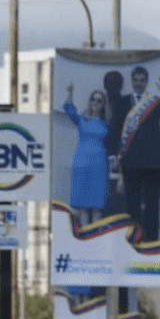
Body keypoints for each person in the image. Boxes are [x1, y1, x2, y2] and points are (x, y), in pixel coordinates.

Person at [119, 65, 160, 242]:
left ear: (146, 82)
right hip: (131, 161)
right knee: (132, 203)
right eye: (136, 80)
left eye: (142, 81)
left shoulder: (155, 102)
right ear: (131, 81)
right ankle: (133, 240)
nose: (138, 84)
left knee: (152, 204)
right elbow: (115, 129)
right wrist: (114, 156)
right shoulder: (123, 101)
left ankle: (151, 241)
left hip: (153, 160)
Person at [63, 82, 110, 224]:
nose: (95, 102)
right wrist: (70, 94)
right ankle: (82, 237)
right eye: (93, 99)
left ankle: (95, 238)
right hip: (82, 162)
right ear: (89, 101)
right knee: (81, 205)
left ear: (103, 104)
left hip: (99, 165)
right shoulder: (82, 119)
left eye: (99, 100)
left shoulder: (107, 123)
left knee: (97, 206)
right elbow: (70, 110)